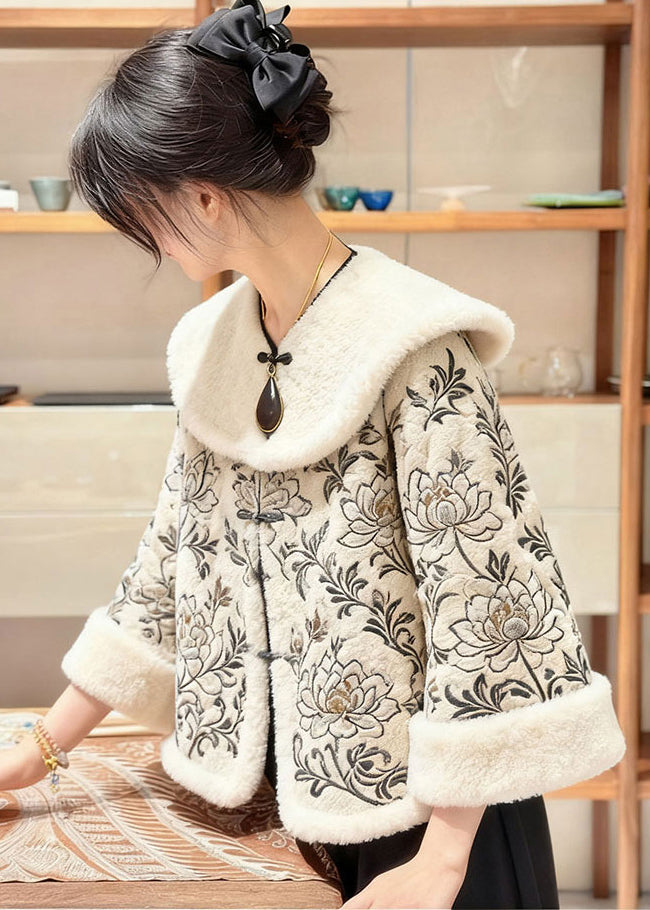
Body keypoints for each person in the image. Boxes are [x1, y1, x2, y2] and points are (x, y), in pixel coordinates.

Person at [0, 2, 626, 907]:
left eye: (141, 214)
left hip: (435, 817)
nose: (144, 241)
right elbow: (172, 562)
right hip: (286, 797)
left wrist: (442, 863)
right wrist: (43, 747)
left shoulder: (415, 345)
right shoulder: (212, 343)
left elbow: (491, 604)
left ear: (202, 197)